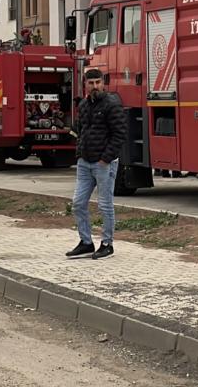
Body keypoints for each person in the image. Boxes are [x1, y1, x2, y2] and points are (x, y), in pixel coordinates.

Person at [66, 68, 125, 260]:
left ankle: (107, 244)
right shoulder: (83, 105)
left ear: (103, 83)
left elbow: (119, 135)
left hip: (103, 164)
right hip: (85, 162)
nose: (95, 86)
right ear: (85, 84)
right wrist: (79, 154)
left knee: (105, 205)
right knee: (78, 203)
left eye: (98, 82)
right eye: (91, 83)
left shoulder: (112, 104)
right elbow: (81, 130)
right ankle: (86, 242)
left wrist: (105, 159)